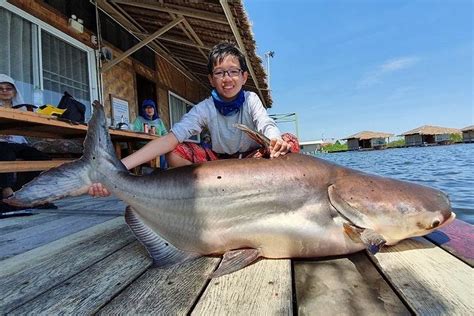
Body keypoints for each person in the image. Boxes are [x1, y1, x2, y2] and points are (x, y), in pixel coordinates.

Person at [89, 42, 299, 196]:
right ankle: (201, 197)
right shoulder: (205, 108)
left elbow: (266, 124)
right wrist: (118, 167)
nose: (227, 78)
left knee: (290, 142)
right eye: (219, 73)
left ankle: (269, 193)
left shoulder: (251, 99)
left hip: (253, 160)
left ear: (244, 77)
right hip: (218, 165)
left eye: (233, 71)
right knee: (175, 152)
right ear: (211, 79)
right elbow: (169, 140)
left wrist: (274, 140)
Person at [0, 74, 56, 212]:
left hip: (19, 143)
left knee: (41, 157)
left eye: (8, 88)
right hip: (1, 144)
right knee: (5, 151)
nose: (4, 91)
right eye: (0, 89)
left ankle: (33, 194)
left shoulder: (23, 108)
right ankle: (7, 196)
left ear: (14, 92)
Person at [132, 99, 168, 169]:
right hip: (143, 144)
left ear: (154, 109)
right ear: (144, 110)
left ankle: (163, 173)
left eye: (151, 107)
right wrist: (147, 132)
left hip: (157, 143)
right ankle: (158, 173)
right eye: (147, 108)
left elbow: (165, 133)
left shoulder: (159, 121)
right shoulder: (139, 119)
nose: (149, 110)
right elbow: (134, 131)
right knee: (160, 151)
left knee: (166, 149)